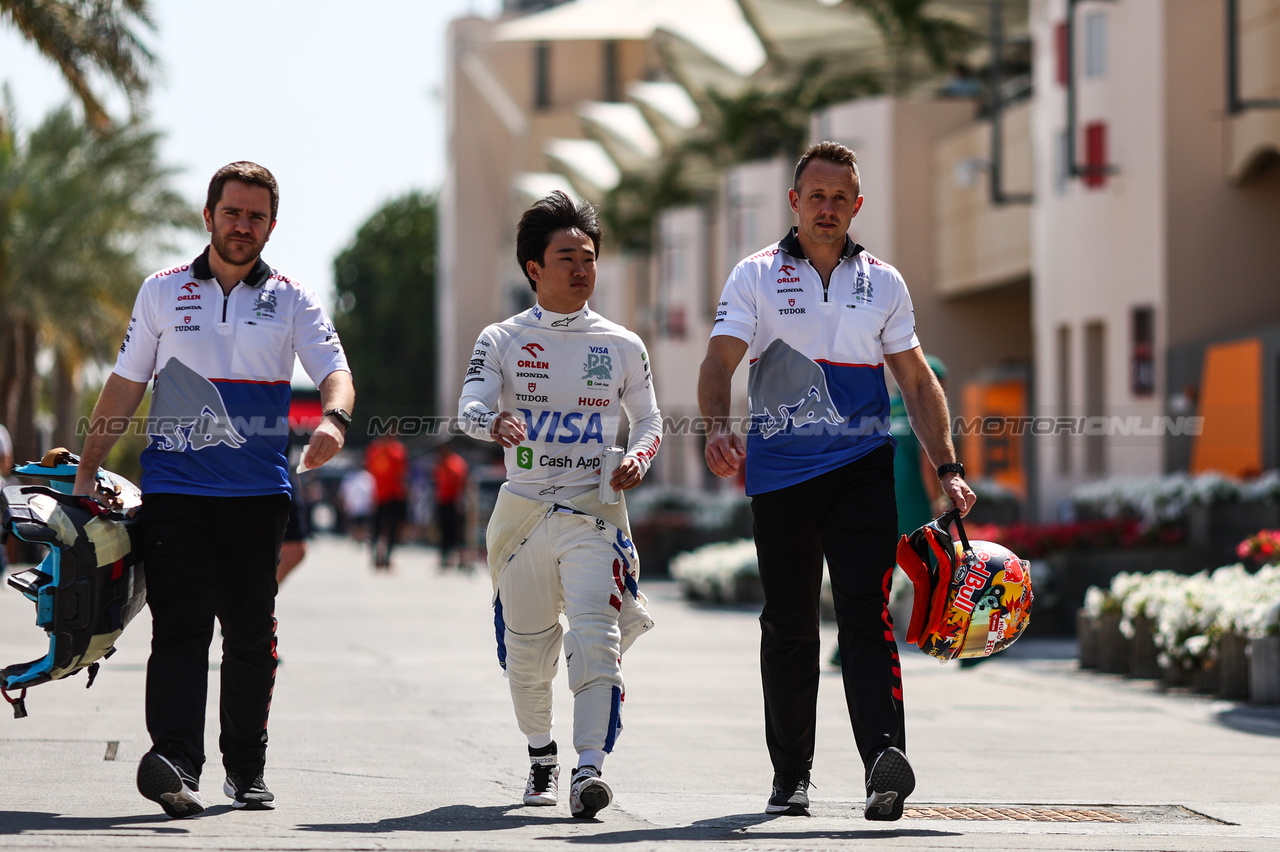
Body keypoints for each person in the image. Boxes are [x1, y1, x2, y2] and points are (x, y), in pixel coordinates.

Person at [697, 142, 975, 821]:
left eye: (839, 197)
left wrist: (948, 466)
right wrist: (714, 426)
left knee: (865, 613)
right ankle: (791, 774)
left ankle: (884, 763)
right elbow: (719, 359)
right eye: (815, 196)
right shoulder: (756, 275)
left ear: (857, 205)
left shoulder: (883, 281)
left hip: (860, 471)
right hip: (781, 475)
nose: (827, 208)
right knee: (790, 624)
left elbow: (914, 378)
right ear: (795, 203)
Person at [72, 161, 354, 819]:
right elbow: (125, 385)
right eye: (232, 213)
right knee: (180, 626)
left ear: (271, 226)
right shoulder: (162, 292)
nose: (243, 226)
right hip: (175, 493)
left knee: (252, 637)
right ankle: (175, 761)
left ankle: (245, 771)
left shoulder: (291, 299)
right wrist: (87, 469)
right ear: (209, 216)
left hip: (258, 497)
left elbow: (335, 371)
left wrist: (335, 420)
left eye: (256, 216)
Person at [458, 191, 661, 819]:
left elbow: (650, 420)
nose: (581, 269)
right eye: (566, 257)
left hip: (593, 513)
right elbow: (466, 407)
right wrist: (490, 423)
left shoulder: (624, 344)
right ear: (533, 268)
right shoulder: (501, 338)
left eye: (590, 258)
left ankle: (588, 771)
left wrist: (638, 457)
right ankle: (541, 754)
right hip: (521, 516)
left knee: (597, 640)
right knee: (527, 657)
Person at [365, 431, 408, 569]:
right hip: (385, 496)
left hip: (388, 496)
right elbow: (401, 474)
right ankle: (380, 556)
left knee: (384, 528)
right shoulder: (394, 452)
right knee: (383, 528)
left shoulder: (376, 451)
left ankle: (384, 556)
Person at [432, 442, 470, 571]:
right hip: (442, 502)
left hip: (454, 502)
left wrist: (461, 501)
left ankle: (462, 559)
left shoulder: (456, 463)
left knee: (457, 532)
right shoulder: (440, 464)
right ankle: (445, 557)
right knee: (444, 531)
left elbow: (461, 482)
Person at [339, 467, 375, 542]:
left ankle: (360, 538)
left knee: (363, 524)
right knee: (354, 524)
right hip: (354, 507)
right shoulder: (350, 477)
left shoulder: (367, 477)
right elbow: (345, 493)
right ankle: (357, 539)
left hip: (364, 508)